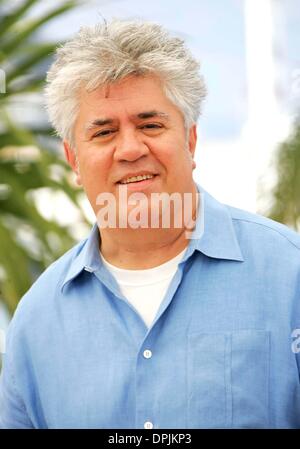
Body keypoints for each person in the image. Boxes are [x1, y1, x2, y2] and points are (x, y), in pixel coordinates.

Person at [0, 18, 300, 430]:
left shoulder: (289, 274)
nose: (129, 148)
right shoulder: (36, 321)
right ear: (73, 161)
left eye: (150, 125)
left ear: (191, 141)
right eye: (104, 132)